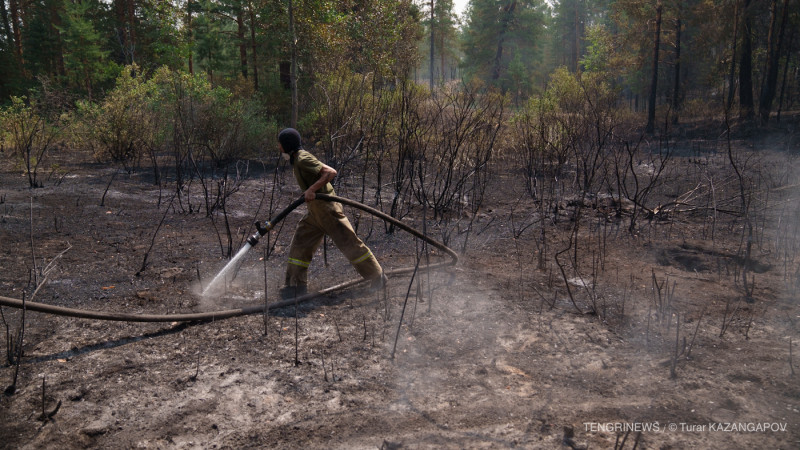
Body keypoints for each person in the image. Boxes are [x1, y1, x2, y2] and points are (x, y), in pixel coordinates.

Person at [277, 128, 387, 299]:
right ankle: (295, 286)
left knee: (349, 243)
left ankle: (378, 277)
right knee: (301, 243)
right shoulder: (299, 159)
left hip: (327, 210)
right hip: (315, 212)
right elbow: (325, 169)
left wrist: (312, 189)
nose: (279, 148)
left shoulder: (302, 158)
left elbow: (330, 172)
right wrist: (310, 191)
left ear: (286, 145)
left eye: (280, 145)